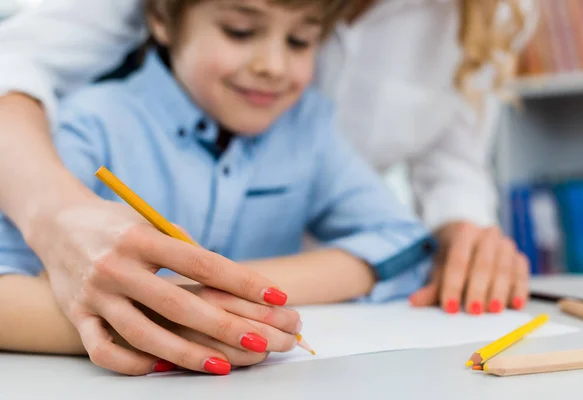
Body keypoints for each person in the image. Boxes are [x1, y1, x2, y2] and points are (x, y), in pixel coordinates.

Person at [0, 0, 435, 376]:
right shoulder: (87, 126)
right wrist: (169, 318)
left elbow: (403, 245)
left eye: (300, 41)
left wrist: (219, 300)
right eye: (239, 31)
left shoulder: (308, 127)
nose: (274, 66)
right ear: (162, 20)